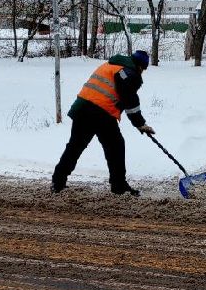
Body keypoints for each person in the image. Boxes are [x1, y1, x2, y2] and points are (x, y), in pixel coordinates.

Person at [52, 49, 154, 196]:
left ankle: (57, 182)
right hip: (100, 112)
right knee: (115, 146)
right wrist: (139, 123)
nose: (142, 72)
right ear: (140, 66)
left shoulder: (112, 64)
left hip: (82, 108)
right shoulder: (130, 72)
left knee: (75, 147)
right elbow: (129, 97)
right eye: (143, 69)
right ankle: (119, 186)